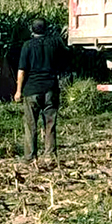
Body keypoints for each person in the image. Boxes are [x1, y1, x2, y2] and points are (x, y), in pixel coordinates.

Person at [15, 18, 68, 166]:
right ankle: (50, 155)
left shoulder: (27, 45)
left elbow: (22, 71)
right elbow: (66, 59)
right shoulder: (55, 43)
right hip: (51, 88)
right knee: (50, 123)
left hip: (32, 90)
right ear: (47, 29)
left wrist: (18, 91)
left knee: (30, 124)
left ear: (32, 30)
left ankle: (30, 157)